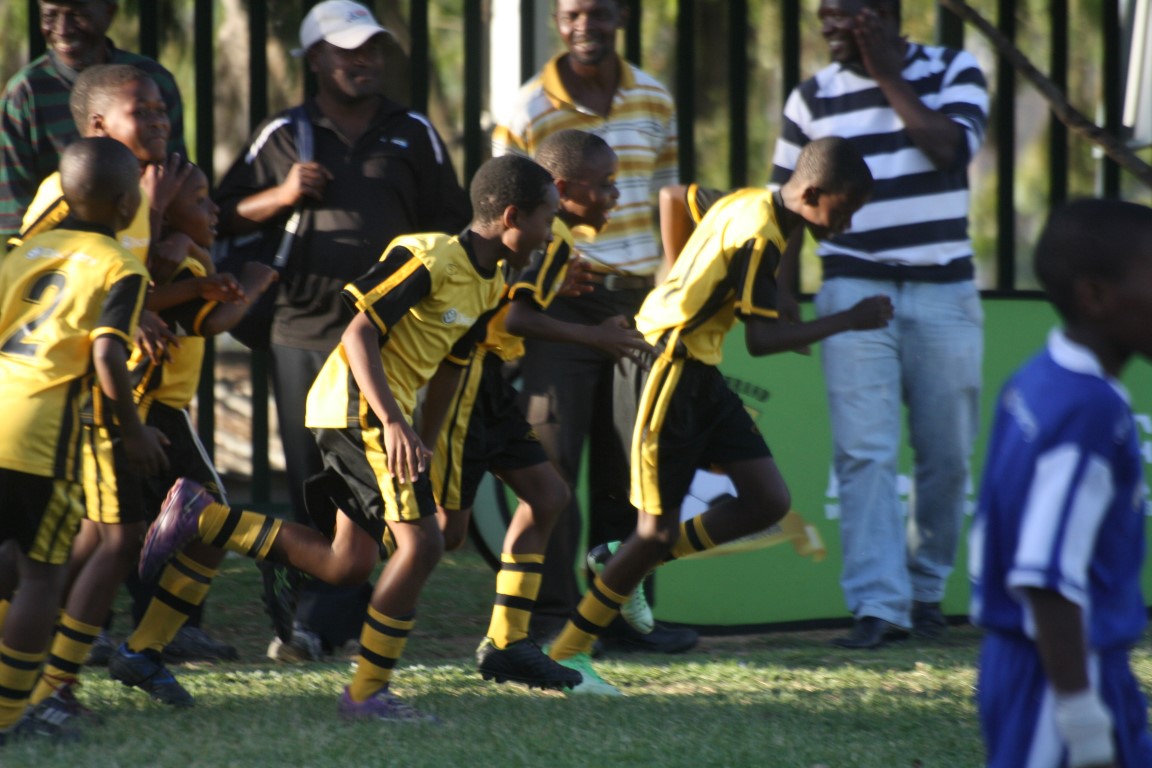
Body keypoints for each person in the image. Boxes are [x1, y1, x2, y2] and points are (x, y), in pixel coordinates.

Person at [140, 154, 568, 721]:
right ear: (512, 217)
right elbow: (358, 332)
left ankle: (206, 518)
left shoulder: (491, 282)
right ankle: (366, 693)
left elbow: (450, 367)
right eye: (547, 218)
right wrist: (392, 421)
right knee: (423, 545)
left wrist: (425, 441)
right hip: (356, 408)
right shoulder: (431, 256)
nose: (551, 233)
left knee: (348, 564)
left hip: (377, 415)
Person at [546, 137, 892, 693]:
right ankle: (567, 656)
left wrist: (677, 274)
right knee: (654, 532)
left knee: (767, 501)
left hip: (699, 370)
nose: (847, 224)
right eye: (844, 209)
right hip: (664, 368)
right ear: (811, 194)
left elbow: (677, 198)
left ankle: (622, 560)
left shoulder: (748, 200)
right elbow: (762, 341)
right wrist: (849, 319)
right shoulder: (760, 236)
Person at [214, 0, 471, 660]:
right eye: (349, 51)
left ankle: (339, 623)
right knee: (319, 482)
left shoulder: (412, 130)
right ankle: (316, 621)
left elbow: (450, 223)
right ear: (316, 60)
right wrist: (281, 195)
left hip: (388, 339)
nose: (366, 61)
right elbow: (220, 214)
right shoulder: (284, 133)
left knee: (378, 484)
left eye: (373, 49)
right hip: (303, 330)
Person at [770, 0, 989, 648]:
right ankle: (879, 604)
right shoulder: (812, 97)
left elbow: (949, 149)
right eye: (823, 14)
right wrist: (781, 288)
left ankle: (925, 591)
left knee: (946, 454)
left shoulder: (953, 69)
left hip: (945, 289)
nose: (828, 25)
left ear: (884, 13)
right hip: (853, 286)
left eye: (844, 14)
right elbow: (788, 201)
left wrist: (887, 73)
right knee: (863, 452)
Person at [491, 0, 693, 654]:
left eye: (599, 12)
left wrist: (670, 293)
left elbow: (670, 199)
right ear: (556, 18)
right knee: (551, 461)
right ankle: (553, 617)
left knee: (633, 466)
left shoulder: (655, 97)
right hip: (555, 305)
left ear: (621, 16)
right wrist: (538, 274)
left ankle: (620, 619)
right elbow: (502, 205)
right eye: (572, 12)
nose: (585, 25)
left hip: (639, 302)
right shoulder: (526, 107)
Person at [38, 164, 273, 711]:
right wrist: (257, 280)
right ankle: (99, 658)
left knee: (107, 540)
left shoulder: (175, 256)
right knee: (189, 526)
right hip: (149, 412)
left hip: (154, 411)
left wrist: (189, 254)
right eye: (200, 200)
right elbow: (211, 320)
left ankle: (117, 650)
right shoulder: (161, 260)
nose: (214, 210)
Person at [428, 130, 651, 685]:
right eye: (606, 185)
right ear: (564, 189)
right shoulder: (554, 240)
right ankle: (316, 556)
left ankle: (508, 641)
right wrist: (596, 336)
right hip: (467, 383)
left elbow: (508, 298)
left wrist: (552, 291)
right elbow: (518, 318)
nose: (616, 195)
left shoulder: (554, 241)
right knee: (442, 534)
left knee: (548, 495)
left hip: (489, 384)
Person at [969, 198, 1152, 768]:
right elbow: (1045, 577)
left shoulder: (1038, 377)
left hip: (1051, 665)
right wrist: (1079, 713)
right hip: (1060, 678)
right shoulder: (1090, 412)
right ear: (1095, 296)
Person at [0, 137, 163, 743]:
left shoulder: (23, 251)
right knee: (40, 576)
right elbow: (107, 355)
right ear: (126, 204)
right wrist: (134, 432)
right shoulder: (120, 265)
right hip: (41, 436)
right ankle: (11, 719)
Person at [0, 0, 185, 242]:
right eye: (50, 15)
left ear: (109, 12)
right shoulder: (25, 95)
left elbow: (181, 185)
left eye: (77, 14)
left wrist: (179, 240)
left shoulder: (152, 82)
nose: (63, 29)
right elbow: (15, 225)